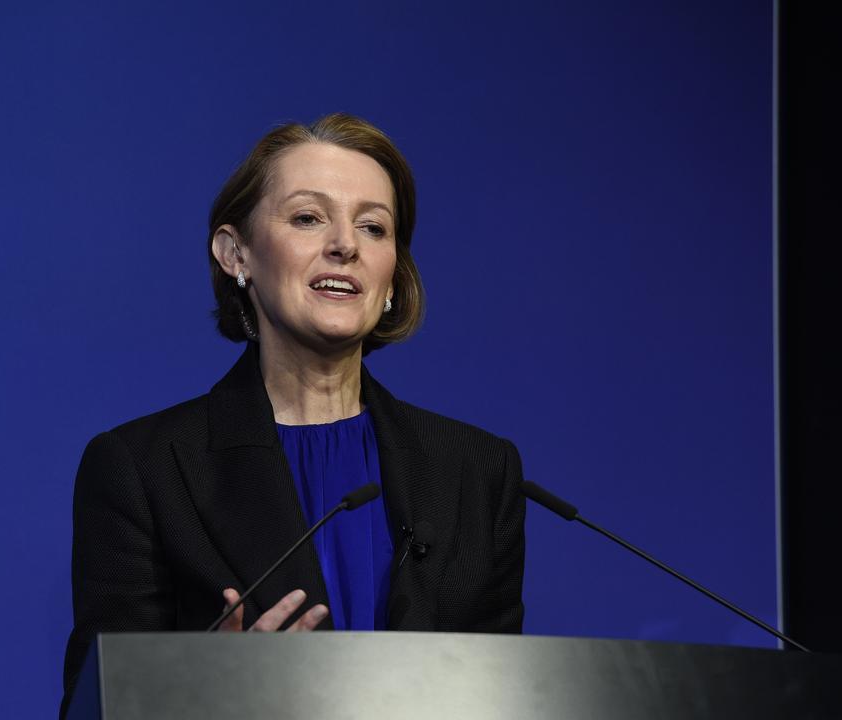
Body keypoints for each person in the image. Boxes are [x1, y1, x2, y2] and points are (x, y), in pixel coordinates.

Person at [60, 113, 525, 714]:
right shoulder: (143, 470)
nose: (345, 245)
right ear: (236, 255)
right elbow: (92, 707)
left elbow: (504, 697)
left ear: (391, 278)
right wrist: (198, 701)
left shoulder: (475, 471)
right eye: (308, 218)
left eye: (374, 227)